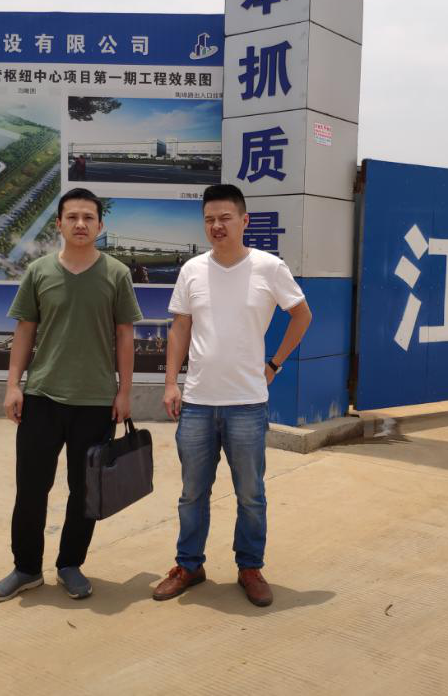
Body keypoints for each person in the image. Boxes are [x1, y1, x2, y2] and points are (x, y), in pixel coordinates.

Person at [153, 183, 312, 607]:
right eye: (209, 219)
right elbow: (181, 328)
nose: (217, 226)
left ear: (244, 221)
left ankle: (250, 567)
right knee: (192, 493)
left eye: (225, 218)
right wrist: (171, 382)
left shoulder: (269, 267)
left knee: (250, 494)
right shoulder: (192, 270)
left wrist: (274, 364)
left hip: (246, 403)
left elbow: (302, 315)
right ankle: (189, 565)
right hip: (198, 403)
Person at [0, 187, 143, 603]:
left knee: (85, 490)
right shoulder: (38, 272)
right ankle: (26, 568)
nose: (80, 224)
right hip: (42, 397)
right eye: (72, 217)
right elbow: (25, 331)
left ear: (100, 225)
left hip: (95, 402)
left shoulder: (116, 274)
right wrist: (13, 386)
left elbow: (125, 336)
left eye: (88, 217)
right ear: (59, 224)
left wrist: (125, 391)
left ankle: (70, 564)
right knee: (31, 488)